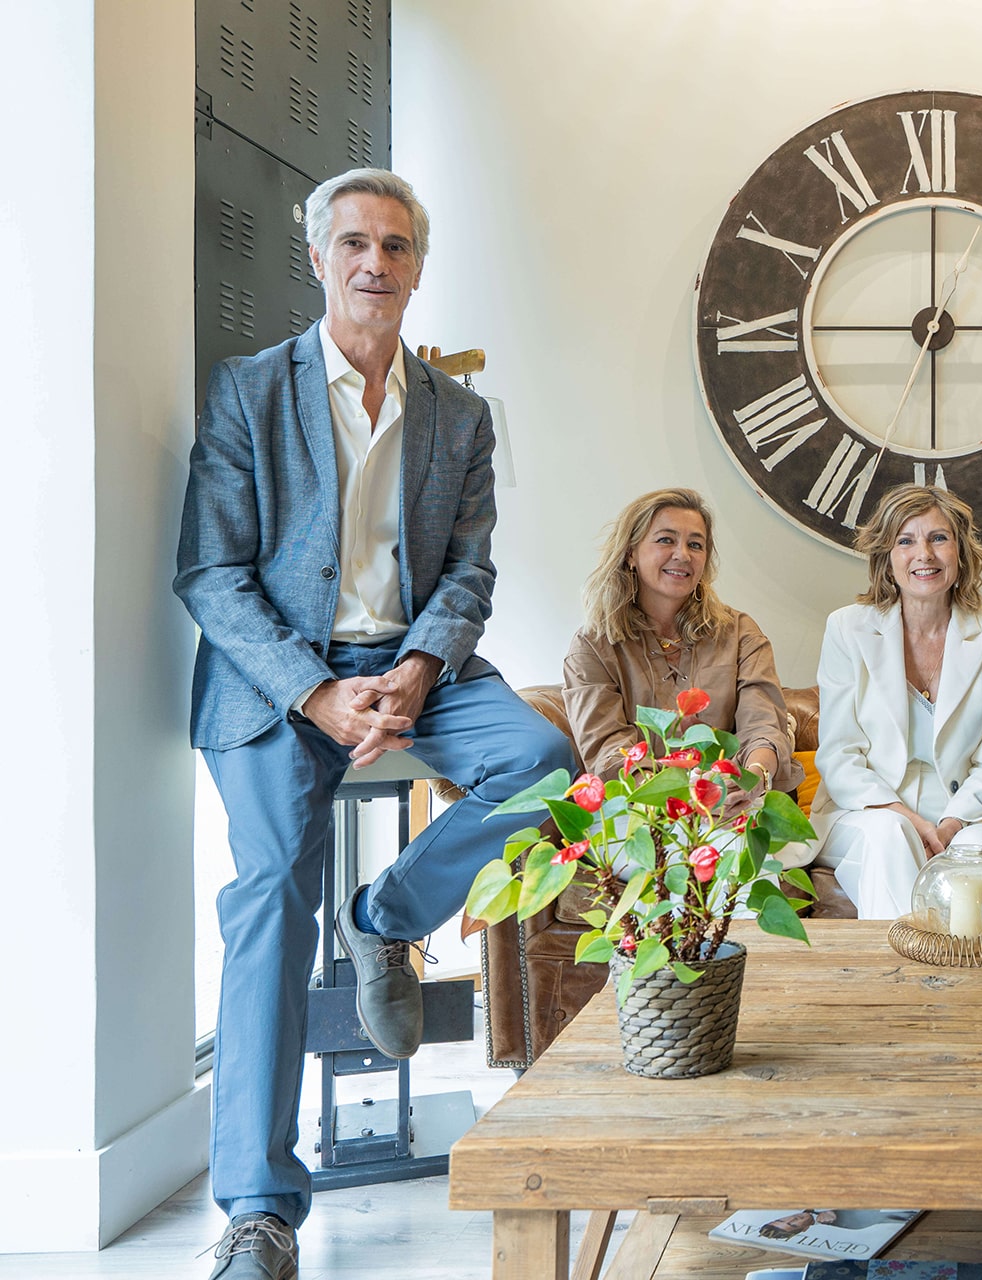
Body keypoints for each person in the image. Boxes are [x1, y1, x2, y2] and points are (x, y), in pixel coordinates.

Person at [175, 169, 576, 1280]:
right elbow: (210, 571)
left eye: (396, 246)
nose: (375, 262)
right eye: (354, 242)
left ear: (417, 267)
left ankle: (384, 914)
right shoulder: (248, 391)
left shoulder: (460, 413)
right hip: (276, 679)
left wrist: (415, 669)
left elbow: (469, 571)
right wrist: (314, 690)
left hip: (413, 665)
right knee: (270, 896)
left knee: (545, 761)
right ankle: (259, 1210)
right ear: (318, 258)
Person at [810, 485, 982, 919]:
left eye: (938, 538)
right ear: (886, 558)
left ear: (960, 552)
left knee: (975, 853)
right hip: (867, 811)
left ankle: (967, 966)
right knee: (890, 835)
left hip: (967, 814)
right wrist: (907, 818)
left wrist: (950, 824)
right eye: (905, 541)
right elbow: (839, 755)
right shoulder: (847, 629)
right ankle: (903, 963)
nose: (923, 554)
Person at [563, 486, 800, 804]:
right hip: (642, 808)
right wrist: (677, 802)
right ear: (631, 553)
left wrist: (753, 778)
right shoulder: (592, 647)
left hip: (738, 803)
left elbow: (762, 724)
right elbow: (607, 750)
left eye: (696, 545)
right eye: (666, 540)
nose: (683, 555)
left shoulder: (741, 633)